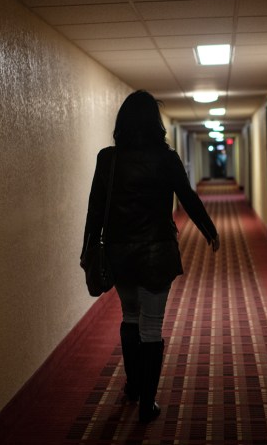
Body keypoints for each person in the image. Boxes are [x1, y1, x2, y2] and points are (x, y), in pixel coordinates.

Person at [81, 90, 219, 424]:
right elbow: (187, 198)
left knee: (130, 316)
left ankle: (133, 385)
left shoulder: (107, 159)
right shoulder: (165, 158)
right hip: (157, 254)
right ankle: (148, 401)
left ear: (122, 123)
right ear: (155, 124)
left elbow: (95, 209)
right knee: (151, 326)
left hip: (120, 254)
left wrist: (88, 250)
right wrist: (209, 229)